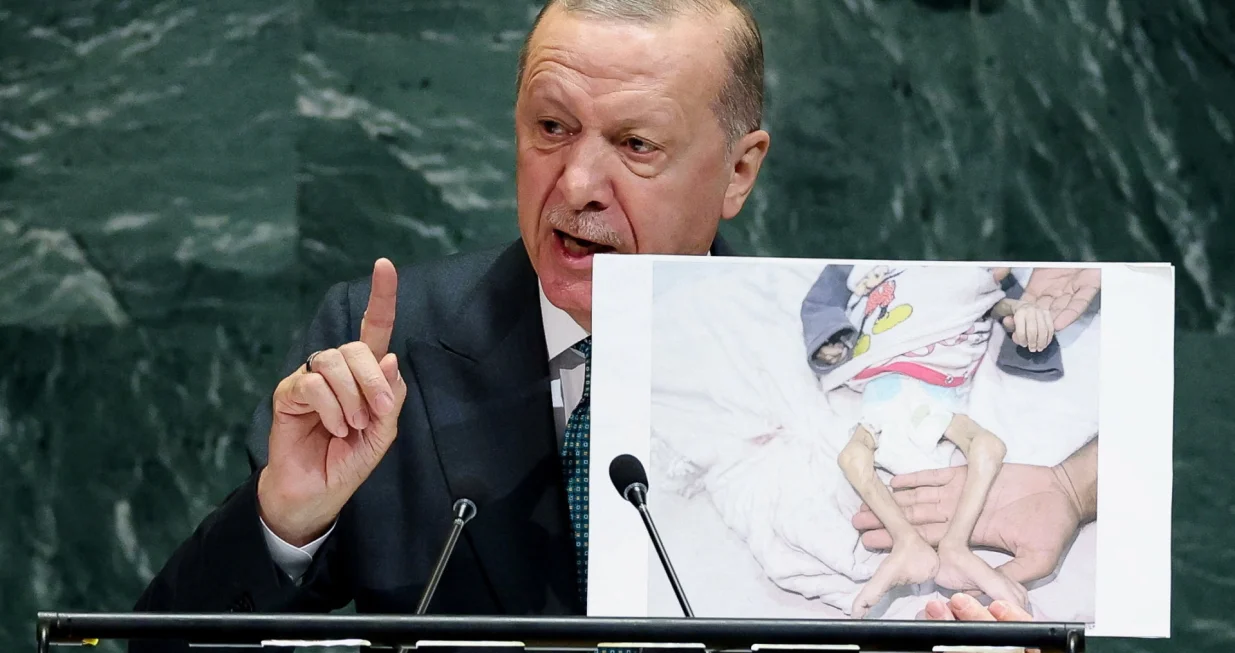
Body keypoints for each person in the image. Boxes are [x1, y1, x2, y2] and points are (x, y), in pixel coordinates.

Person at [131, 0, 1071, 645]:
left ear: (738, 172)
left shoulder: (821, 367)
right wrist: (281, 522)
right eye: (549, 129)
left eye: (634, 144)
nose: (576, 186)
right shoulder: (383, 350)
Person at [803, 264, 1056, 617]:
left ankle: (951, 545)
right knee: (853, 457)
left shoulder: (978, 282)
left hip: (932, 389)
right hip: (881, 385)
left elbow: (1000, 302)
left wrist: (1025, 309)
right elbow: (822, 300)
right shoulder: (863, 272)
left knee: (986, 447)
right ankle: (911, 543)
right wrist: (830, 337)